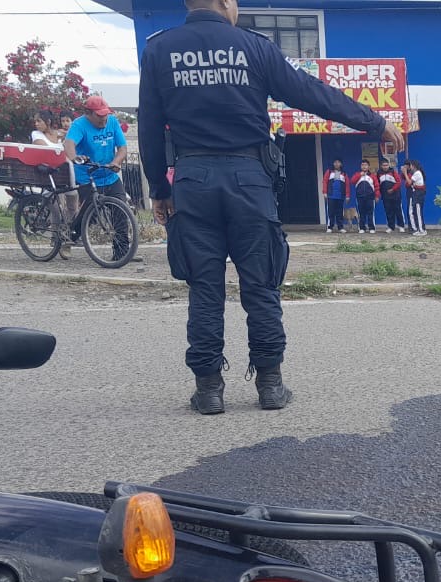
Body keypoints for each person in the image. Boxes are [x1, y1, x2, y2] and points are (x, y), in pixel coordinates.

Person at [138, 0, 404, 415]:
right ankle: (271, 386)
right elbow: (311, 94)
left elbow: (150, 126)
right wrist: (374, 121)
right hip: (249, 179)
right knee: (261, 286)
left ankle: (208, 390)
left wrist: (160, 188)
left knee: (204, 289)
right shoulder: (254, 47)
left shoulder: (159, 49)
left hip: (192, 182)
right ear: (226, 2)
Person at [64, 94, 128, 246]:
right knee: (90, 215)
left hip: (109, 174)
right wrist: (74, 158)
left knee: (121, 212)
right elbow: (69, 144)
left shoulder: (112, 122)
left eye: (106, 115)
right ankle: (69, 237)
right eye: (99, 116)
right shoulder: (79, 125)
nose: (104, 120)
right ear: (88, 113)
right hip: (88, 176)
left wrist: (116, 161)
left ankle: (123, 252)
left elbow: (122, 148)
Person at [350, 159, 378, 234]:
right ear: (360, 166)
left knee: (370, 213)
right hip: (360, 197)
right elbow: (352, 181)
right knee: (361, 213)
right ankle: (362, 228)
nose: (364, 166)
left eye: (366, 165)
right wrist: (360, 175)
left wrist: (377, 196)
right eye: (362, 165)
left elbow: (376, 187)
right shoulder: (357, 174)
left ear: (368, 166)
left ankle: (371, 228)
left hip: (370, 198)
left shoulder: (372, 176)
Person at [377, 157, 405, 232]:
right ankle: (391, 227)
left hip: (396, 195)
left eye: (386, 165)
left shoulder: (393, 172)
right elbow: (378, 184)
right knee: (388, 211)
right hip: (385, 196)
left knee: (398, 210)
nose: (385, 167)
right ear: (381, 166)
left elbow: (399, 182)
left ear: (389, 165)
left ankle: (401, 226)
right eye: (384, 165)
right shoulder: (379, 173)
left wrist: (393, 189)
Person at [322, 158, 347, 233]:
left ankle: (340, 227)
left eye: (338, 162)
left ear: (341, 164)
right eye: (335, 162)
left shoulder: (344, 174)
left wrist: (347, 195)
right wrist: (325, 192)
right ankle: (330, 227)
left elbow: (347, 185)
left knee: (340, 212)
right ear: (333, 164)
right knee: (331, 212)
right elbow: (325, 182)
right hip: (331, 195)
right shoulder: (329, 172)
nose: (336, 164)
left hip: (340, 196)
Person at [406, 159, 427, 235]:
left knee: (418, 212)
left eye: (410, 165)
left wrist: (405, 173)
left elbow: (409, 182)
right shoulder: (416, 173)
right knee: (416, 211)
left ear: (413, 166)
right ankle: (419, 229)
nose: (410, 167)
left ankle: (422, 230)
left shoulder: (417, 173)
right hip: (417, 194)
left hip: (418, 194)